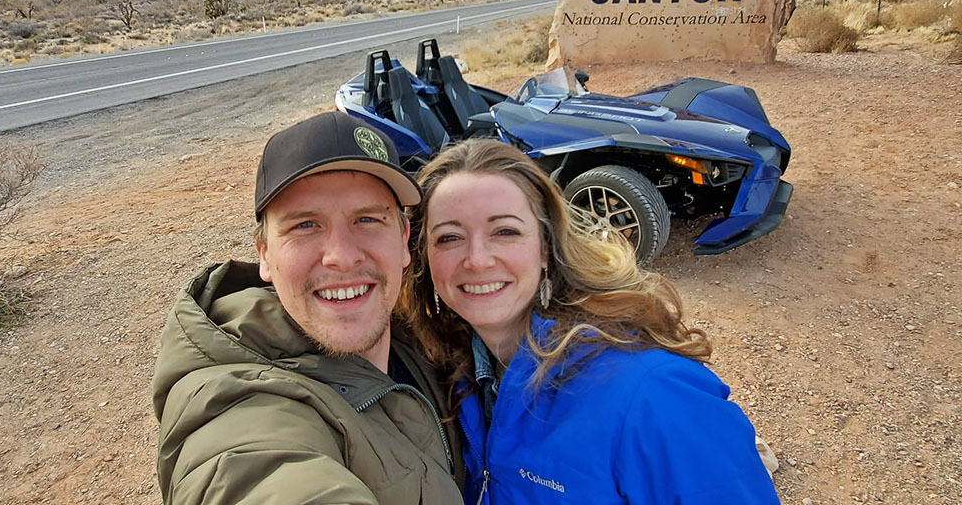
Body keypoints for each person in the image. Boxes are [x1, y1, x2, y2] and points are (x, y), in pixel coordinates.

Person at [400, 138, 780, 504]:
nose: (477, 259)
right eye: (449, 237)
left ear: (545, 248)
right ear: (425, 258)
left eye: (505, 231)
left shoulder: (652, 393)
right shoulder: (461, 380)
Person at [153, 111, 465, 505]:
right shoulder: (239, 408)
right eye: (305, 225)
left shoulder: (420, 340)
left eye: (367, 218)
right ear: (264, 255)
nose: (342, 257)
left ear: (404, 239)